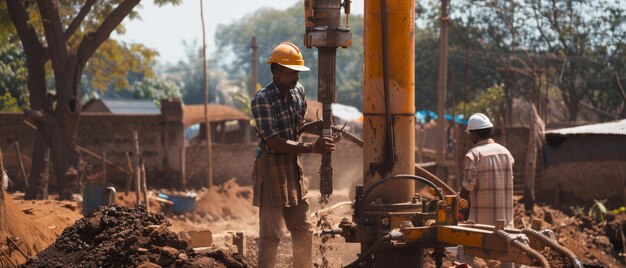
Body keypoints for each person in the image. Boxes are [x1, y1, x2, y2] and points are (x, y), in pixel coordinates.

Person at [251, 42, 335, 268]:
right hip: (270, 167)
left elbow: (298, 126)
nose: (296, 77)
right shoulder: (262, 100)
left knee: (303, 229)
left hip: (292, 167)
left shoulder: (298, 92)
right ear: (276, 71)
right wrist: (311, 148)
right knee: (271, 234)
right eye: (290, 73)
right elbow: (275, 141)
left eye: (297, 72)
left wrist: (322, 128)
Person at [458, 113, 515, 268]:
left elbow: (468, 187)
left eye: (470, 134)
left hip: (481, 225)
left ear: (474, 134)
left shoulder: (474, 155)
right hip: (506, 223)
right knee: (508, 257)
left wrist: (458, 205)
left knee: (464, 253)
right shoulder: (505, 153)